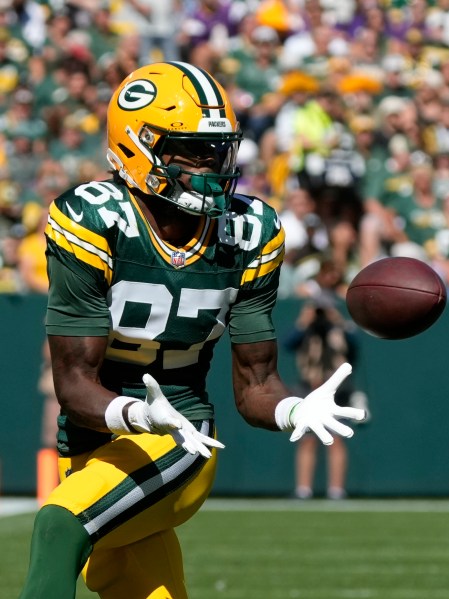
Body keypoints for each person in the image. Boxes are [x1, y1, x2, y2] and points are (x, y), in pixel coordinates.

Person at [19, 61, 366, 599]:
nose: (211, 166)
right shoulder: (94, 219)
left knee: (59, 524)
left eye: (217, 150)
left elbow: (254, 387)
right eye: (190, 151)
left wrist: (293, 409)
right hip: (93, 441)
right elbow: (72, 382)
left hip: (181, 437)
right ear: (138, 147)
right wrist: (133, 412)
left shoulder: (249, 231)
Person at [285, 295, 367, 500]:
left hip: (335, 390)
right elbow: (287, 343)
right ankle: (303, 489)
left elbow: (355, 343)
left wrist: (337, 320)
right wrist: (304, 321)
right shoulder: (306, 330)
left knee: (336, 438)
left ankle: (336, 490)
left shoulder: (340, 329)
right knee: (307, 439)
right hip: (309, 387)